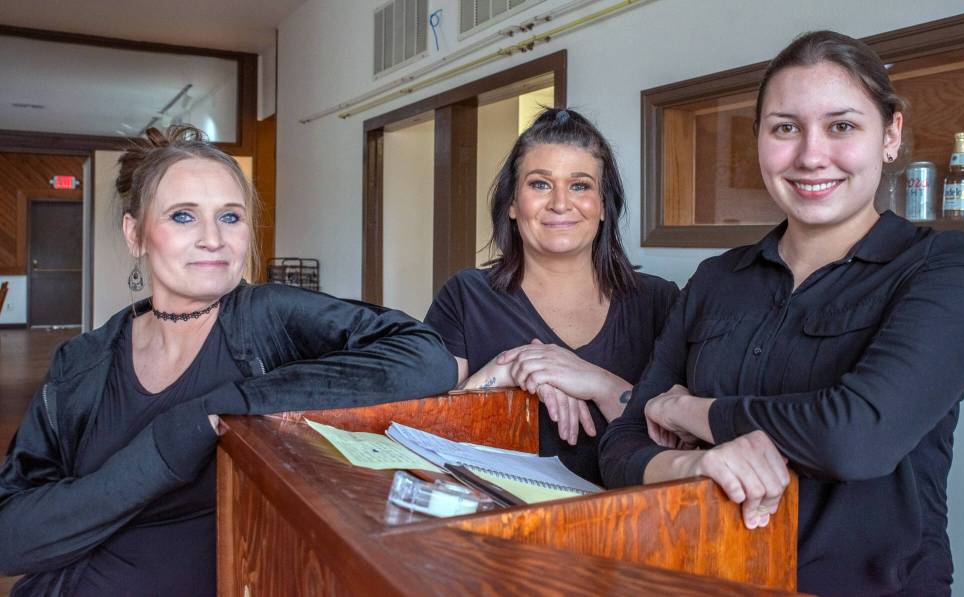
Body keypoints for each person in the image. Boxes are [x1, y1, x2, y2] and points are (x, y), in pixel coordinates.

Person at [599, 31, 964, 596]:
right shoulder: (717, 279)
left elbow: (855, 438)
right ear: (759, 140)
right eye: (785, 128)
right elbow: (621, 447)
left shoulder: (943, 271)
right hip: (702, 578)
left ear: (890, 135)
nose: (811, 155)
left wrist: (692, 411)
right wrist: (692, 466)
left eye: (842, 126)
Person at [0, 126, 457, 596]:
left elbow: (425, 356)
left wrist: (229, 404)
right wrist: (164, 448)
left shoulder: (268, 318)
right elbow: (11, 537)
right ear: (136, 235)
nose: (213, 238)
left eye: (230, 217)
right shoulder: (82, 362)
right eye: (183, 216)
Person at [425, 108, 679, 485]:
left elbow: (681, 441)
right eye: (540, 184)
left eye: (580, 186)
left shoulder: (660, 301)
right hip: (502, 515)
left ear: (603, 205)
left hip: (630, 516)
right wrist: (504, 371)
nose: (560, 203)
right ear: (512, 204)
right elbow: (429, 436)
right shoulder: (466, 296)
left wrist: (596, 382)